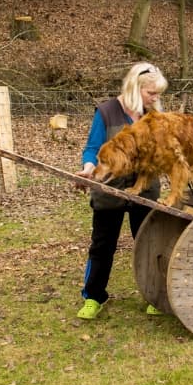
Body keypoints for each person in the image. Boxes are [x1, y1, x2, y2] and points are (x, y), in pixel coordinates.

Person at [74, 62, 169, 320]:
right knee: (102, 246)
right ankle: (94, 297)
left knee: (150, 244)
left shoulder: (154, 117)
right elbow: (92, 148)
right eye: (152, 93)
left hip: (144, 191)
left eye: (157, 94)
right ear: (135, 88)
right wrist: (88, 168)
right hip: (109, 191)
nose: (156, 98)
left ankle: (155, 295)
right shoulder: (107, 112)